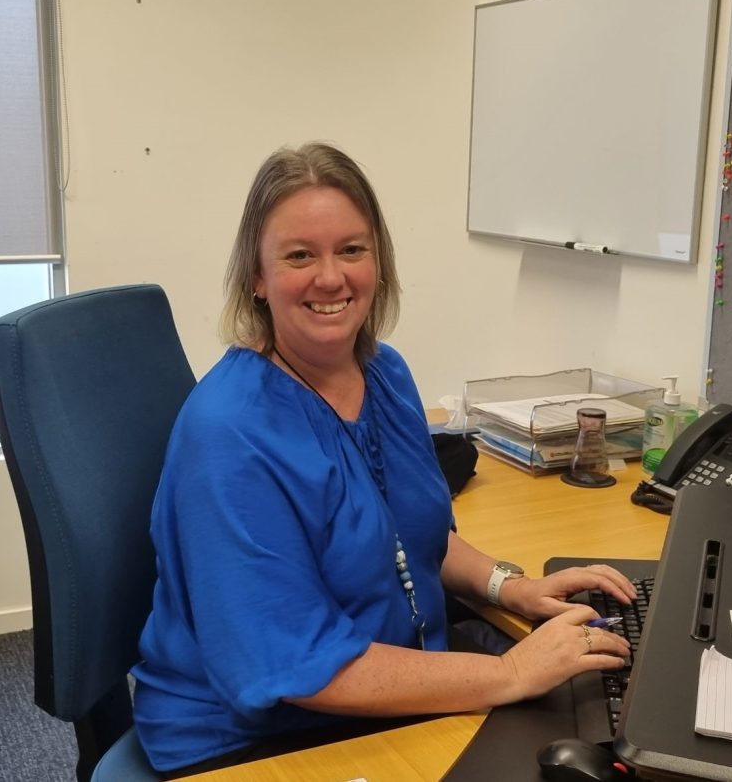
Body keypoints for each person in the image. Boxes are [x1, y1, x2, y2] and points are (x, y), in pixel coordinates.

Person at [131, 142, 635, 777]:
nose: (331, 277)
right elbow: (304, 667)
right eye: (298, 255)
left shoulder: (385, 374)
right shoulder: (230, 435)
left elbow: (413, 533)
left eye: (351, 249)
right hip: (262, 736)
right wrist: (509, 671)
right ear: (256, 278)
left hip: (392, 686)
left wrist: (515, 587)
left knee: (602, 726)